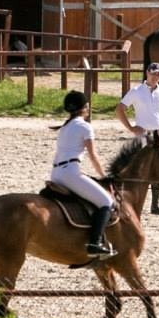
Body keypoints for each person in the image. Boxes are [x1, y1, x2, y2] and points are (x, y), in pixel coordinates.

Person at [49, 89, 116, 258]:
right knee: (106, 201)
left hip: (57, 173)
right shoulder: (85, 127)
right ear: (85, 107)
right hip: (70, 173)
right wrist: (103, 176)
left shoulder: (65, 127)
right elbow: (93, 156)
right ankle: (95, 243)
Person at [118, 62, 159, 215]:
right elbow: (120, 108)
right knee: (140, 167)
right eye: (153, 73)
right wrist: (130, 127)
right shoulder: (136, 91)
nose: (156, 77)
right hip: (143, 134)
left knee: (158, 166)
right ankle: (134, 201)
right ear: (147, 73)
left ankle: (155, 204)